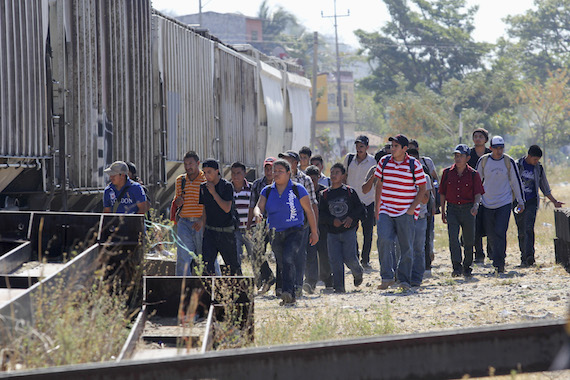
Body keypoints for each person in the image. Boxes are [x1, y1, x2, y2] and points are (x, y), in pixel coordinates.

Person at [253, 159, 319, 306]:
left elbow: (309, 211)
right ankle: (290, 292)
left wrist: (314, 232)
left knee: (289, 258)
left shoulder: (298, 189)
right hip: (275, 233)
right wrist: (257, 214)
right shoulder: (268, 190)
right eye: (274, 171)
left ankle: (288, 292)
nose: (275, 174)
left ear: (288, 173)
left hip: (295, 230)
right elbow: (259, 206)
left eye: (279, 171)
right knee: (282, 262)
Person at [374, 134, 427, 291]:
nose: (392, 149)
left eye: (396, 146)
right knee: (383, 239)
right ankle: (387, 277)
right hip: (386, 209)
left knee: (406, 247)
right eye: (392, 145)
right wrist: (377, 207)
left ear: (405, 149)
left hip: (406, 211)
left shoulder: (414, 165)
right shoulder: (384, 162)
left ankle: (404, 279)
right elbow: (379, 184)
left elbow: (422, 188)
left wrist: (412, 208)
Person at [476, 136, 525, 273]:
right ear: (490, 148)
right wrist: (475, 201)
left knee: (500, 232)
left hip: (504, 202)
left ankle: (500, 262)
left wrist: (520, 201)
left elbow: (516, 182)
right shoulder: (484, 161)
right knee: (491, 234)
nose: (499, 151)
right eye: (496, 148)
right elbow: (477, 182)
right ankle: (495, 258)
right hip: (487, 203)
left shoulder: (508, 161)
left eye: (501, 148)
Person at [514, 145, 564, 267]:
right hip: (517, 201)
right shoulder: (516, 165)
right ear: (529, 156)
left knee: (529, 228)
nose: (536, 162)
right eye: (535, 159)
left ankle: (530, 257)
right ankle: (523, 256)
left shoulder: (538, 168)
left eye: (538, 160)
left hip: (531, 201)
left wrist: (554, 201)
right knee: (521, 229)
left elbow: (545, 187)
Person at [439, 145, 485, 277]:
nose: (458, 159)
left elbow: (478, 193)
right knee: (453, 238)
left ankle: (467, 265)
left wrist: (476, 206)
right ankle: (456, 266)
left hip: (468, 209)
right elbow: (442, 193)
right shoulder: (447, 173)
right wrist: (442, 211)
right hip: (452, 209)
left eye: (461, 156)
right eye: (456, 156)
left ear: (468, 158)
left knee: (469, 240)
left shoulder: (473, 174)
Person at [278, 150, 319, 297]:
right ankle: (285, 285)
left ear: (295, 163)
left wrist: (315, 228)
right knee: (283, 255)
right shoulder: (278, 178)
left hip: (301, 223)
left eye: (287, 161)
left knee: (299, 254)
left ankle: (297, 286)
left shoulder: (305, 180)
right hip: (282, 223)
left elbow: (313, 204)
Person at [319, 163, 364, 293]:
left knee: (350, 257)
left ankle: (358, 272)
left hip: (348, 231)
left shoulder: (350, 192)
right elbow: (321, 214)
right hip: (332, 233)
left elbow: (360, 208)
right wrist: (332, 220)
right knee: (335, 260)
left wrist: (351, 218)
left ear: (343, 175)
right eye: (332, 172)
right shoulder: (325, 195)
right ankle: (339, 287)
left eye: (337, 173)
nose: (333, 175)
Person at [199, 159, 242, 276]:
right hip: (210, 232)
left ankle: (241, 293)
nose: (206, 175)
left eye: (209, 172)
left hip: (226, 233)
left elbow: (227, 208)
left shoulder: (227, 186)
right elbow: (204, 211)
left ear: (217, 171)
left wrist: (214, 193)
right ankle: (207, 293)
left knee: (232, 266)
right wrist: (204, 232)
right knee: (206, 267)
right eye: (204, 172)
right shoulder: (203, 187)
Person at [343, 135, 377, 268]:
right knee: (351, 230)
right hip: (352, 201)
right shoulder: (349, 159)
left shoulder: (373, 162)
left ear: (367, 147)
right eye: (357, 146)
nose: (359, 149)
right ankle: (355, 257)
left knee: (367, 231)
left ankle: (365, 259)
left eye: (361, 146)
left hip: (368, 200)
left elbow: (375, 181)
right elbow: (344, 176)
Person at [172, 152, 206, 276]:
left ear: (198, 163)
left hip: (200, 223)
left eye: (190, 164)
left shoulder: (205, 179)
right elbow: (177, 199)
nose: (188, 167)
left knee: (206, 257)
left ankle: (213, 286)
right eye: (186, 164)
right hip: (184, 222)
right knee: (183, 257)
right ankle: (183, 288)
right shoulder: (180, 180)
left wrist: (202, 220)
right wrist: (178, 201)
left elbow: (209, 204)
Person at [248, 157, 277, 293]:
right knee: (256, 252)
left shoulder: (281, 184)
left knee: (279, 254)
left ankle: (282, 287)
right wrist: (249, 225)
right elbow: (252, 206)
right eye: (266, 168)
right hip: (261, 223)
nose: (269, 171)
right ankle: (268, 277)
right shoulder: (257, 184)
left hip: (277, 223)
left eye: (272, 168)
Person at [304, 165, 333, 292]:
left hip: (324, 228)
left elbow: (330, 212)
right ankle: (310, 282)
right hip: (307, 228)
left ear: (319, 178)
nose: (312, 183)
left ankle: (328, 280)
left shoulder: (325, 193)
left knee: (324, 255)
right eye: (309, 180)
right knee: (309, 256)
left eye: (314, 180)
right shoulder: (302, 192)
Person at [407, 148, 433, 286]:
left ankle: (417, 277)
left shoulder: (425, 178)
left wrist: (419, 185)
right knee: (404, 248)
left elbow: (425, 200)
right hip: (404, 217)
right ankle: (404, 276)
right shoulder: (401, 176)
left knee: (418, 248)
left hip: (420, 217)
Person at [468, 128, 492, 264]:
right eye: (475, 136)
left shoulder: (491, 154)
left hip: (490, 193)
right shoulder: (469, 154)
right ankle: (478, 253)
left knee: (490, 223)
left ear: (485, 139)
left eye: (480, 136)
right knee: (475, 224)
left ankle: (492, 252)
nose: (478, 139)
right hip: (472, 194)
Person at [231, 161, 254, 266]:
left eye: (238, 173)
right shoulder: (227, 189)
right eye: (233, 173)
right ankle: (238, 280)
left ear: (244, 173)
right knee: (235, 258)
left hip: (251, 229)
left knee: (255, 258)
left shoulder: (252, 188)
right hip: (235, 230)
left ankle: (260, 281)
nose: (235, 176)